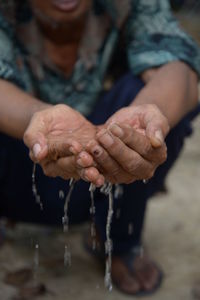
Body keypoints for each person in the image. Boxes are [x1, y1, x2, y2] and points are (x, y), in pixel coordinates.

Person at [0, 0, 199, 296]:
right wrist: (35, 117)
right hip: (16, 173)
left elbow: (178, 66)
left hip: (108, 179)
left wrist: (150, 115)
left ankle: (114, 238)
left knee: (167, 102)